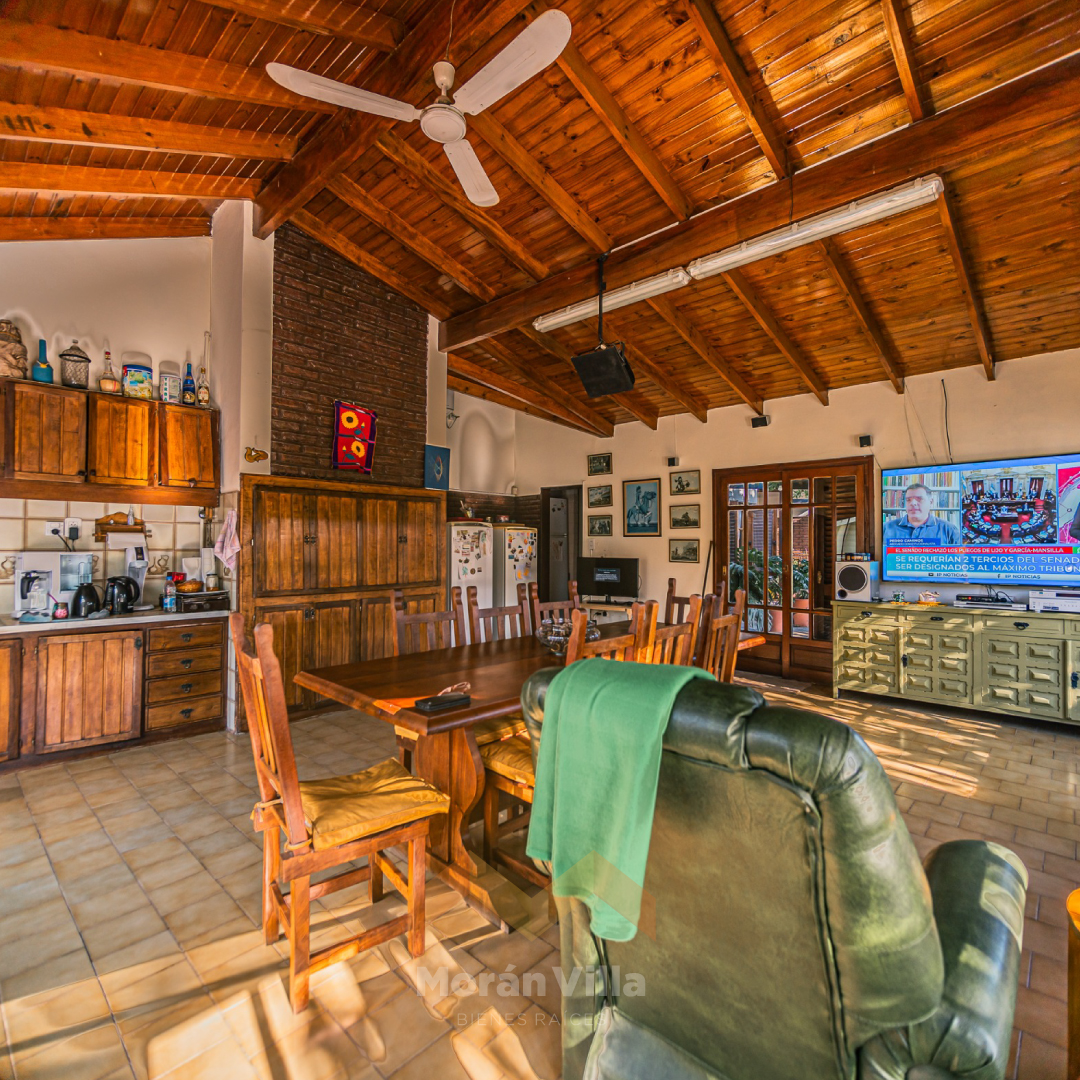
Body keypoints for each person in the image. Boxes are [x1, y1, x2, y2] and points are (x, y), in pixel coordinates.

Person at [883, 483, 962, 545]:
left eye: (919, 499)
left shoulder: (949, 530)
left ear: (931, 502)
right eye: (908, 500)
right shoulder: (886, 528)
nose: (913, 503)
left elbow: (960, 558)